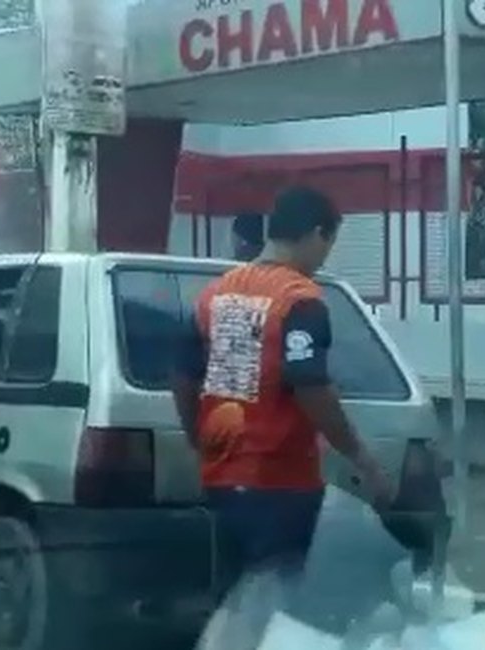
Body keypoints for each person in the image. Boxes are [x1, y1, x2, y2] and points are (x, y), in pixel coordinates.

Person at [172, 185, 396, 602]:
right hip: (281, 484)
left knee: (233, 602)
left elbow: (183, 378)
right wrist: (362, 458)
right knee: (280, 603)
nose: (326, 256)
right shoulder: (300, 299)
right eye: (329, 243)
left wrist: (197, 442)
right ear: (316, 234)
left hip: (221, 480)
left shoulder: (214, 294)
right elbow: (310, 386)